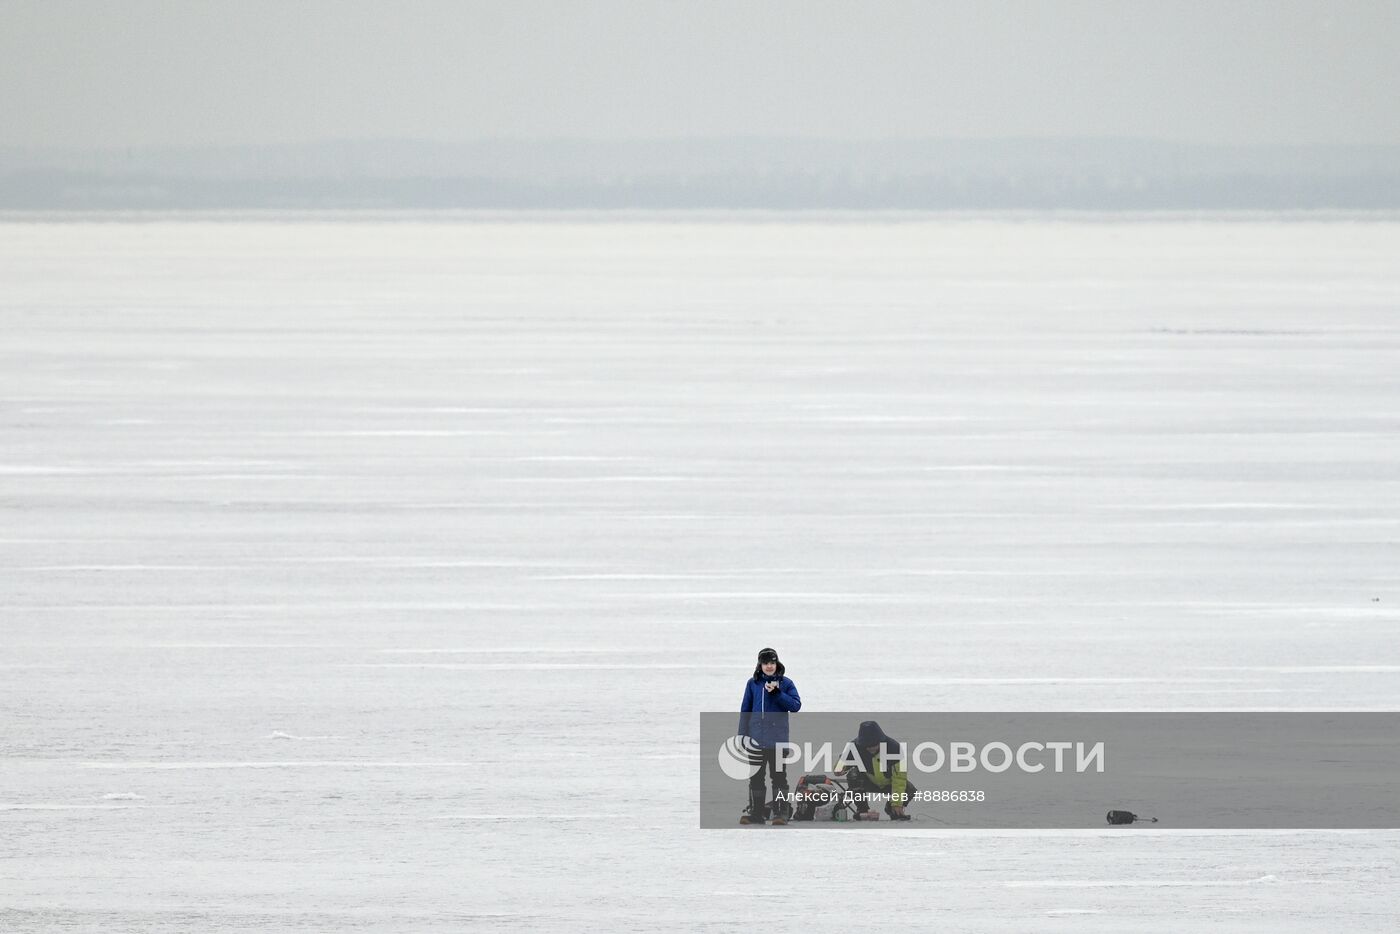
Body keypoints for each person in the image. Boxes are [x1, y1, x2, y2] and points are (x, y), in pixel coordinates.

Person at [737, 647, 801, 824]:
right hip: (755, 740)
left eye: (772, 663)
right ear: (760, 665)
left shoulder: (786, 683)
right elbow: (745, 710)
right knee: (756, 777)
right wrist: (742, 735)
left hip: (778, 741)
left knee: (779, 777)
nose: (769, 666)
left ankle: (781, 812)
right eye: (765, 663)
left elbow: (796, 706)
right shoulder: (752, 683)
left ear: (777, 663)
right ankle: (757, 812)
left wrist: (777, 694)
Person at [841, 720, 916, 821]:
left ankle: (893, 809)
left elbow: (899, 778)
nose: (871, 748)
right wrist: (841, 768)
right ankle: (862, 809)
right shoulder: (854, 747)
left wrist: (897, 803)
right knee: (853, 774)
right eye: (867, 746)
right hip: (867, 782)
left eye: (874, 745)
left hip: (888, 783)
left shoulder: (894, 748)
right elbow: (839, 765)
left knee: (910, 790)